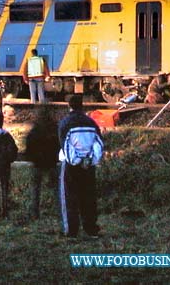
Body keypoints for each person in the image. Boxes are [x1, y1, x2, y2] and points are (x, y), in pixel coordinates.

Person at [57, 95, 102, 238]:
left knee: (69, 198)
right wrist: (90, 159)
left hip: (70, 165)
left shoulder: (65, 123)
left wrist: (76, 160)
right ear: (82, 106)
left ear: (69, 106)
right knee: (88, 196)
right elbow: (98, 144)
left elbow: (65, 146)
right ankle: (91, 229)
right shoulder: (91, 123)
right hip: (88, 166)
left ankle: (71, 231)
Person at [25, 107, 60, 219]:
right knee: (57, 189)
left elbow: (28, 146)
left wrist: (32, 158)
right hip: (52, 162)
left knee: (35, 189)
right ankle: (59, 211)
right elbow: (59, 144)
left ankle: (34, 213)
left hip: (37, 163)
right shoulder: (54, 129)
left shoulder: (34, 130)